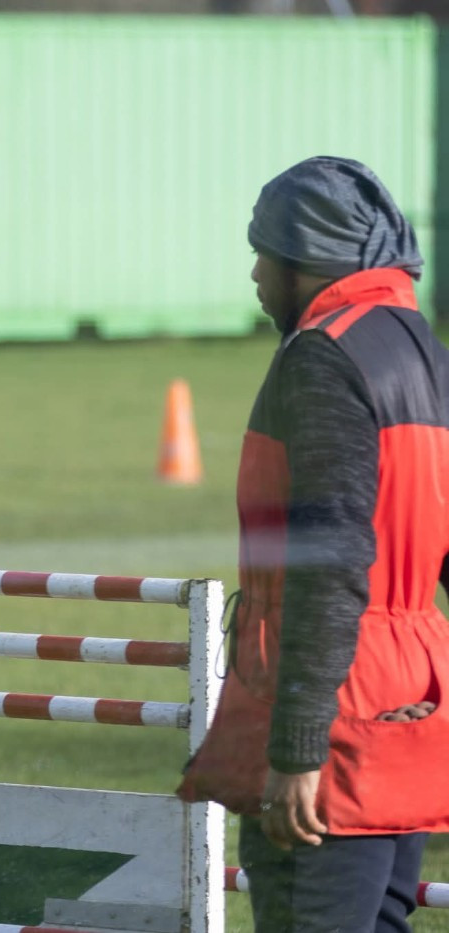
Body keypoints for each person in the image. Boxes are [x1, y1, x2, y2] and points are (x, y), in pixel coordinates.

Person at [176, 156, 449, 931]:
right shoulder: (420, 347)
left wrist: (297, 750)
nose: (256, 273)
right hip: (411, 701)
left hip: (331, 718)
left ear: (312, 259)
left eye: (267, 253)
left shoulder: (325, 355)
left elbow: (331, 560)